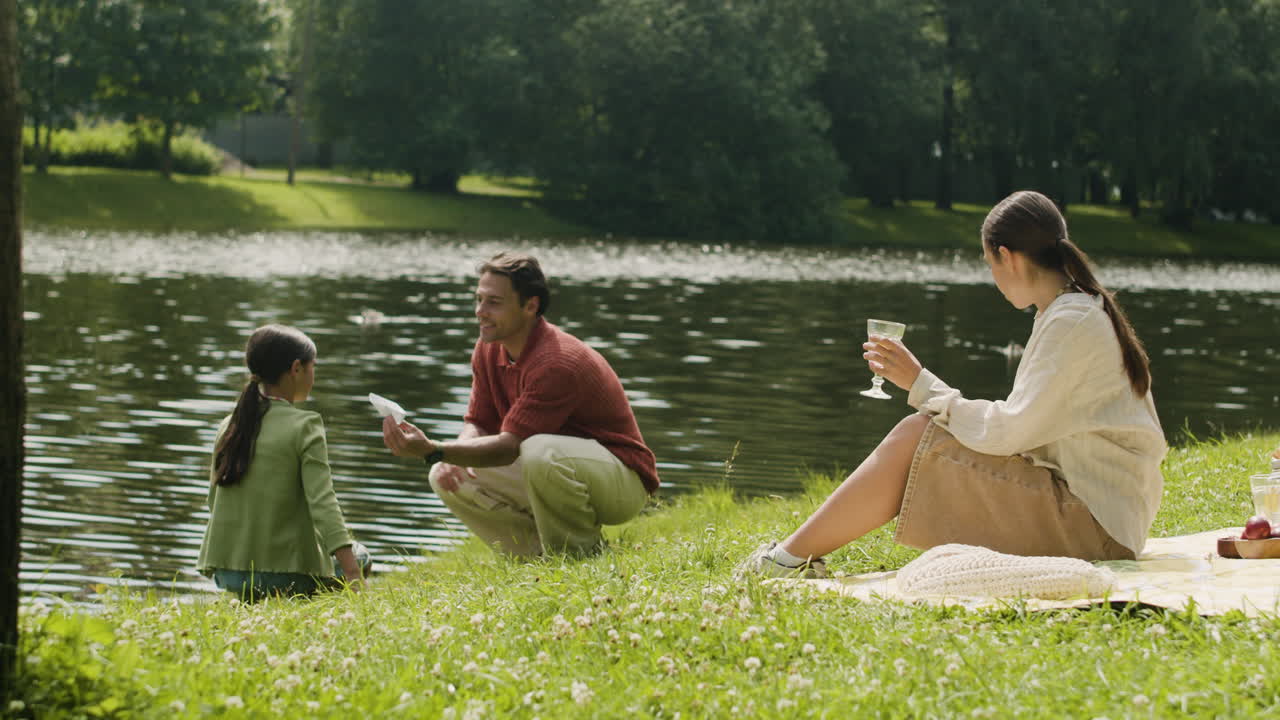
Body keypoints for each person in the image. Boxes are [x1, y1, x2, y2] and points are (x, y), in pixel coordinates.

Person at [742, 190, 1167, 577]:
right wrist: (929, 397)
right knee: (920, 434)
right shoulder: (1069, 312)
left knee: (916, 435)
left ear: (1008, 257)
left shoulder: (1071, 322)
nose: (993, 278)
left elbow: (1010, 431)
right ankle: (792, 558)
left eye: (990, 265)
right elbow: (1024, 430)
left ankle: (784, 562)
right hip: (1100, 519)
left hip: (1097, 532)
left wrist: (922, 384)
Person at [381, 252, 659, 556]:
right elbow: (478, 421)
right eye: (479, 299)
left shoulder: (557, 362)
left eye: (494, 302)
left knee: (539, 451)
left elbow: (508, 447)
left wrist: (434, 449)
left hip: (621, 483)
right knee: (447, 476)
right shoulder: (489, 348)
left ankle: (581, 554)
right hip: (556, 470)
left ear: (530, 306)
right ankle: (538, 559)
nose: (480, 312)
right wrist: (448, 457)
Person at [198, 324, 370, 600]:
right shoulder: (306, 426)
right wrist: (352, 573)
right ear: (296, 369)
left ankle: (250, 602)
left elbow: (213, 501)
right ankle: (295, 600)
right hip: (287, 576)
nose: (314, 375)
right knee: (361, 557)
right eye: (313, 367)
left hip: (230, 571)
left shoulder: (228, 426)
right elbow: (323, 503)